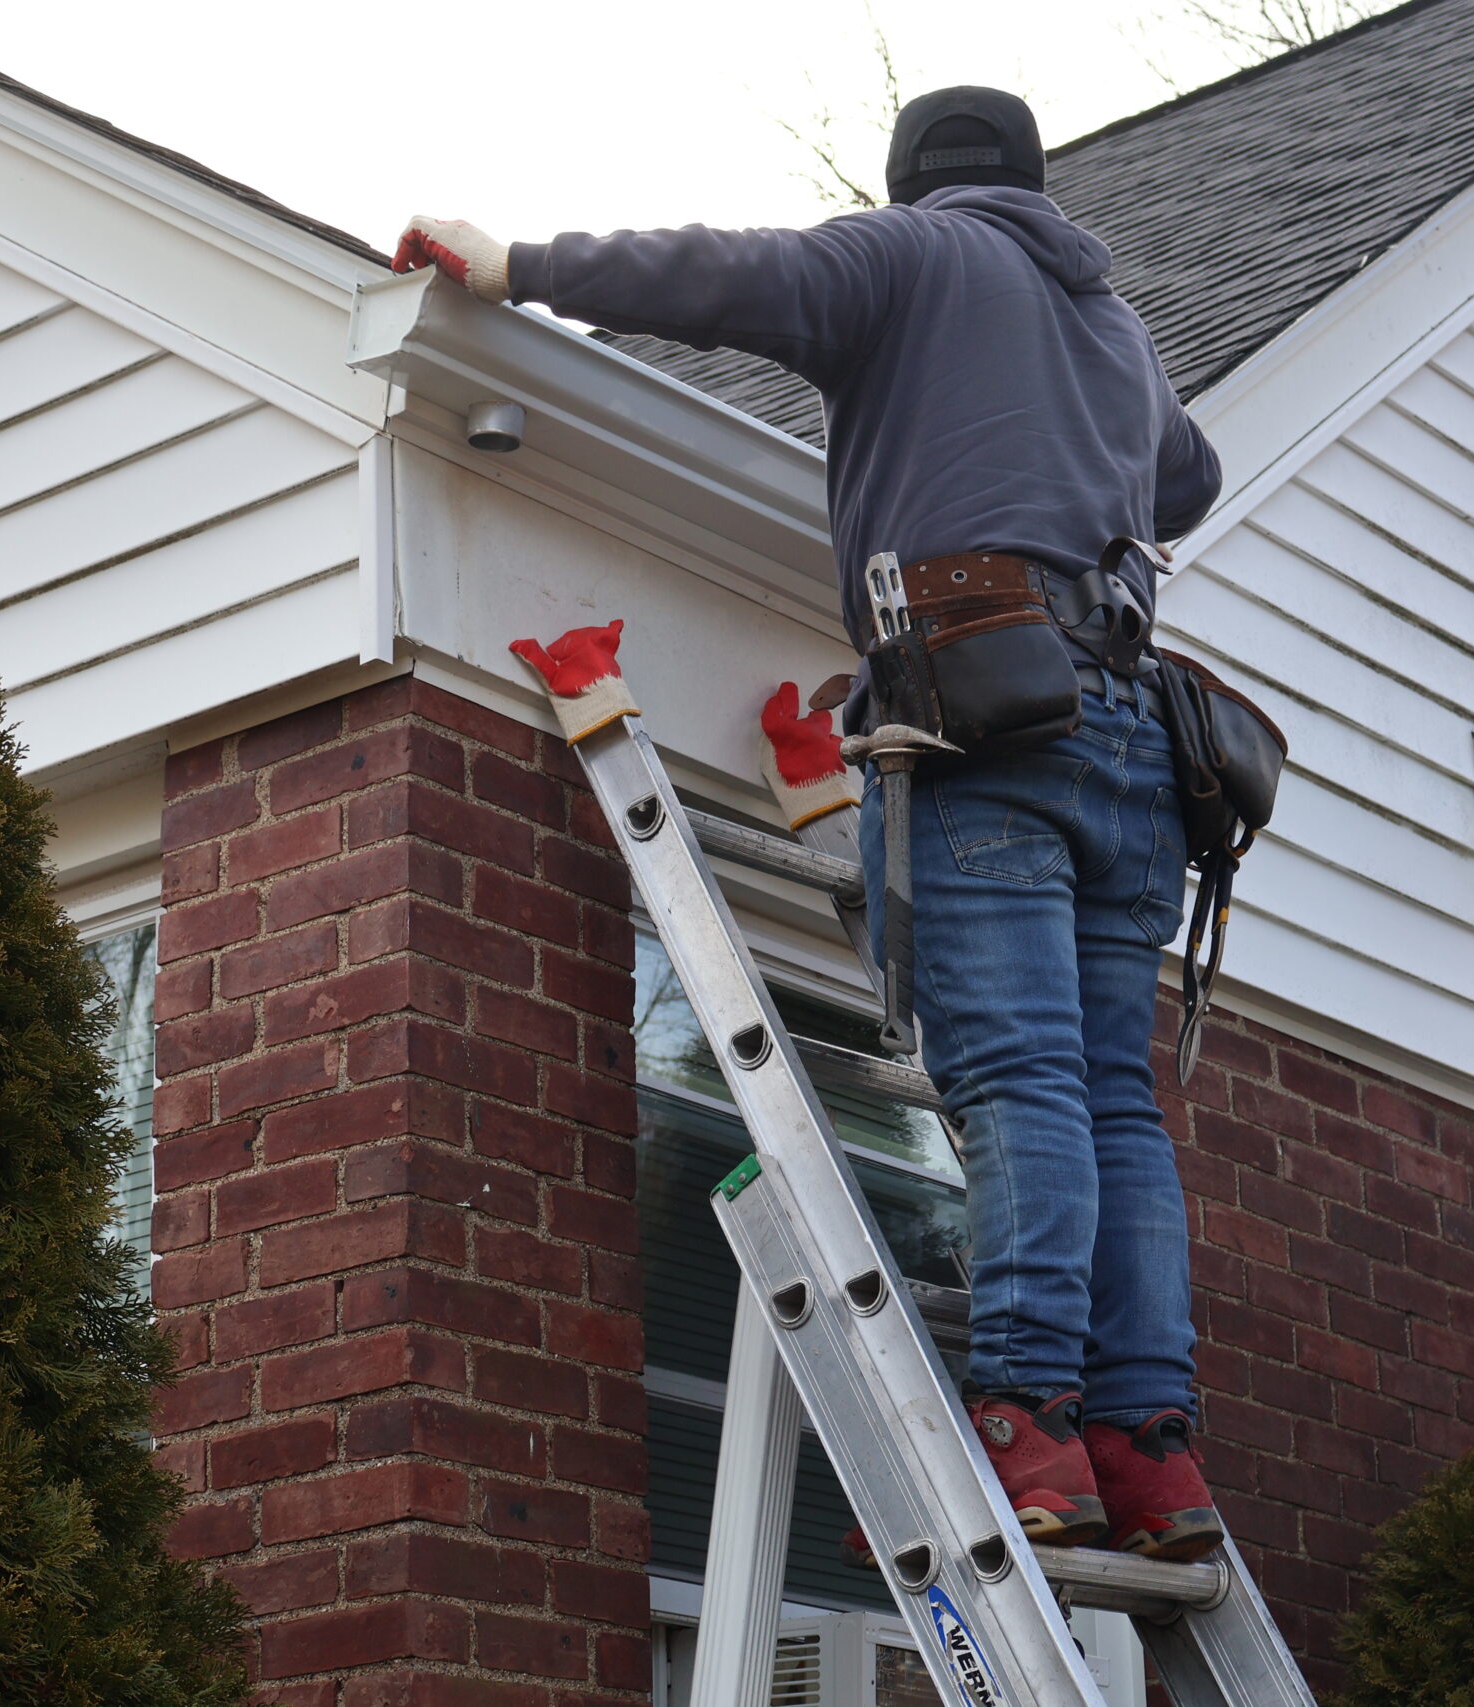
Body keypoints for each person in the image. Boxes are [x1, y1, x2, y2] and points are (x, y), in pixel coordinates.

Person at [393, 86, 1226, 1563]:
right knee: (1113, 1097)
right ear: (1033, 182)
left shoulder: (911, 255)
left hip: (988, 711)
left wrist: (517, 264)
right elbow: (1189, 479)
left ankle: (1030, 1411)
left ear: (915, 184)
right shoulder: (1110, 318)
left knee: (1024, 1080)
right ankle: (1151, 1452)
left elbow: (733, 278)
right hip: (1133, 740)